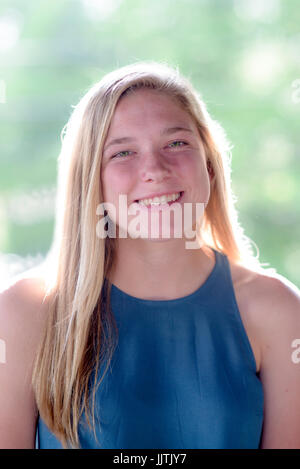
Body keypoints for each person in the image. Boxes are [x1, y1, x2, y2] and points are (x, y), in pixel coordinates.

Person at [0, 61, 300, 450]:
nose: (155, 170)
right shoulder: (24, 314)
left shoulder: (278, 311)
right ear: (91, 180)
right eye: (123, 153)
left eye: (176, 143)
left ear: (208, 165)